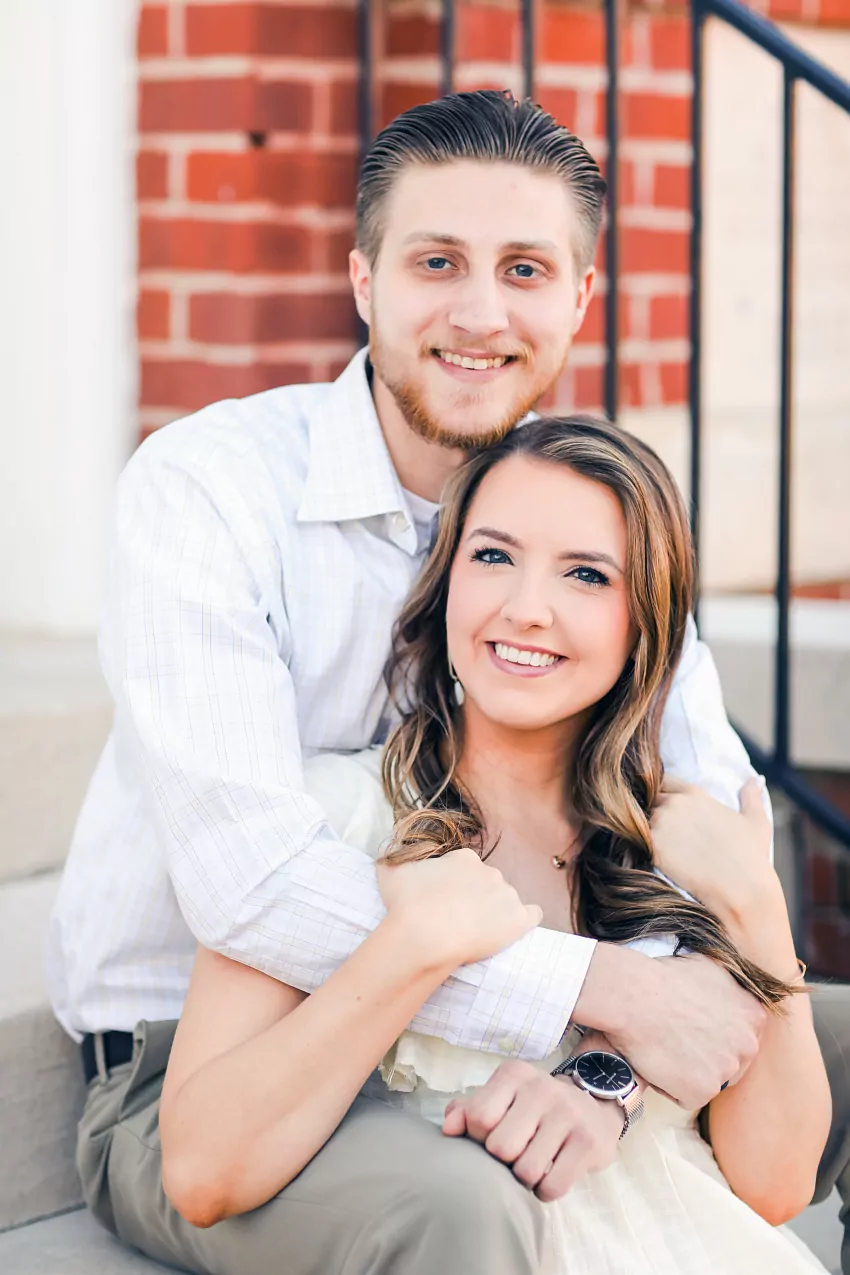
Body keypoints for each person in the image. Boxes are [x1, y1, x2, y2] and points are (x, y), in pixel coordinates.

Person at [46, 91, 849, 1273]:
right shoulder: (209, 492)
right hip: (210, 1053)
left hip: (544, 1029)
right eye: (436, 262)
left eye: (524, 269)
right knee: (466, 1198)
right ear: (363, 280)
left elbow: (706, 835)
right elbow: (254, 891)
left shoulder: (593, 512)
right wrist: (602, 991)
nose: (480, 313)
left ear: (579, 297)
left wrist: (609, 1071)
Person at [152, 416, 831, 1274]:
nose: (526, 607)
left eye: (586, 574)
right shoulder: (339, 820)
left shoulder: (679, 843)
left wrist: (756, 901)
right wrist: (412, 947)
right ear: (446, 584)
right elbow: (203, 1167)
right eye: (493, 555)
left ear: (644, 624)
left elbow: (775, 1183)